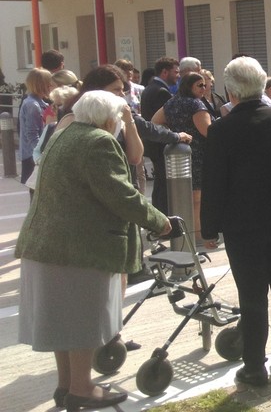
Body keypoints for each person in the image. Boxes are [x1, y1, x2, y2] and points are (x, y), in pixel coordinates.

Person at [16, 90, 171, 411]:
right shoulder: (98, 141)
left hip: (45, 243)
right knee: (83, 321)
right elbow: (120, 194)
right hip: (80, 248)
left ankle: (66, 386)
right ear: (108, 119)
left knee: (63, 322)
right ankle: (82, 389)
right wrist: (160, 221)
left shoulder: (64, 133)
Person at [201, 56, 271, 385]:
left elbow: (214, 182)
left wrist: (209, 228)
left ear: (231, 91)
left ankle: (254, 367)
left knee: (251, 296)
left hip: (242, 224)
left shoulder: (221, 129)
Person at [153, 73, 212, 241]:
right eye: (199, 85)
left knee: (182, 196)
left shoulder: (172, 102)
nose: (204, 88)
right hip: (198, 153)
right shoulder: (196, 104)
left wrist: (174, 133)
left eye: (204, 85)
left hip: (178, 151)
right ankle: (198, 235)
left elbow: (154, 121)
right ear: (189, 86)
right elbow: (207, 131)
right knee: (197, 198)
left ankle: (187, 234)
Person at [141, 56, 180, 212]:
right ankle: (163, 215)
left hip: (152, 143)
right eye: (175, 72)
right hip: (160, 144)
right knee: (164, 184)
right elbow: (168, 119)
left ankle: (159, 213)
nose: (178, 76)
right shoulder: (161, 92)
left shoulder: (149, 88)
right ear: (164, 72)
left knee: (160, 182)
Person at [18, 69, 52, 187]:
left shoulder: (38, 103)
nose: (51, 86)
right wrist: (40, 156)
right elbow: (32, 134)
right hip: (32, 156)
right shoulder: (32, 105)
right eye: (49, 82)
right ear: (43, 84)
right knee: (36, 191)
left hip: (31, 154)